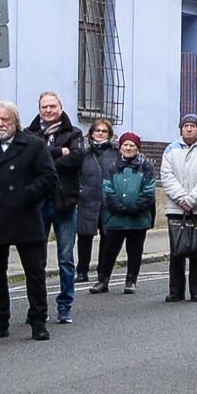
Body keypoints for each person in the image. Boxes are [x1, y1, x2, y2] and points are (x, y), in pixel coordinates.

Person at [0, 100, 54, 342]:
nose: (0, 124)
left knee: (34, 272)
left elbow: (48, 177)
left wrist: (25, 195)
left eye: (5, 119)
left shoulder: (34, 145)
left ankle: (38, 320)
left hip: (25, 216)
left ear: (15, 122)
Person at [29, 93, 87, 324]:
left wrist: (45, 160)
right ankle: (38, 308)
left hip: (65, 203)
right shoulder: (30, 134)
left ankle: (65, 306)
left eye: (52, 106)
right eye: (44, 106)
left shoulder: (74, 133)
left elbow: (76, 160)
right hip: (38, 204)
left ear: (61, 108)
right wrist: (57, 152)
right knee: (36, 260)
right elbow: (29, 163)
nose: (48, 110)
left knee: (65, 259)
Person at [159, 114, 197, 303]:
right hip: (176, 208)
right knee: (177, 250)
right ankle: (176, 291)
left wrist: (193, 198)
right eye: (185, 125)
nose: (189, 129)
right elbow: (166, 176)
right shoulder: (171, 150)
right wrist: (181, 198)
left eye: (193, 126)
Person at [94, 133, 158, 293]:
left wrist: (136, 207)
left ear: (138, 148)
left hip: (139, 218)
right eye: (125, 145)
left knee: (135, 251)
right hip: (115, 218)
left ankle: (131, 280)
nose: (128, 148)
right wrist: (118, 207)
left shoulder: (146, 166)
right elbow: (107, 189)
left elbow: (149, 190)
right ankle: (103, 281)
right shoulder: (112, 166)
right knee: (109, 251)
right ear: (120, 147)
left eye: (132, 145)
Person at [75, 118, 119, 288]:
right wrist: (80, 190)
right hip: (87, 199)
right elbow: (76, 172)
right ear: (91, 133)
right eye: (97, 130)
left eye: (104, 131)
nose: (100, 133)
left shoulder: (115, 152)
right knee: (84, 236)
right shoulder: (83, 151)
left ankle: (102, 272)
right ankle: (82, 271)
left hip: (108, 201)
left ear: (109, 134)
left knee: (107, 238)